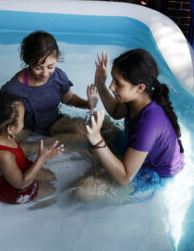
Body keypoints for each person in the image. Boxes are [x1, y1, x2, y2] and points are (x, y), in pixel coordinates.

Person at [74, 49, 185, 201]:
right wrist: (100, 84)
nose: (112, 86)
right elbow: (115, 111)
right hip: (139, 151)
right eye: (112, 79)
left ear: (140, 87)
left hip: (153, 173)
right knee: (97, 124)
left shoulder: (149, 123)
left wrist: (97, 140)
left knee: (82, 192)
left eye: (118, 83)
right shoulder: (138, 98)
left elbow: (124, 178)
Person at [0, 31, 99, 149]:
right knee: (3, 143)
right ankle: (37, 146)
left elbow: (69, 99)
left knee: (86, 131)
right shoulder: (14, 88)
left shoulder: (58, 77)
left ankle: (34, 147)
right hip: (24, 127)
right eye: (38, 67)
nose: (45, 73)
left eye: (50, 66)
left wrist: (89, 104)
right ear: (28, 62)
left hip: (54, 122)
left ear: (57, 58)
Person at [0, 87, 64, 204]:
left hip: (17, 168)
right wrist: (41, 159)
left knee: (51, 177)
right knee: (52, 190)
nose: (24, 122)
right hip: (13, 189)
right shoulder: (3, 155)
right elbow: (21, 183)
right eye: (22, 119)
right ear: (10, 129)